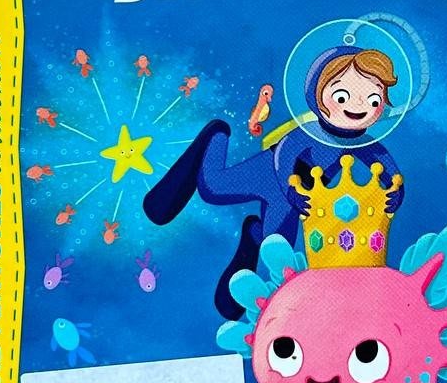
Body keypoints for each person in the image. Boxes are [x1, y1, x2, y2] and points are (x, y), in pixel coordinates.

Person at [144, 46, 405, 318]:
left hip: (297, 195)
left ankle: (250, 246)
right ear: (317, 94)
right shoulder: (310, 131)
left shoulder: (364, 143)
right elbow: (285, 154)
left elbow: (391, 173)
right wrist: (290, 188)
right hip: (269, 173)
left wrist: (395, 194)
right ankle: (215, 136)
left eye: (373, 100)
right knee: (213, 187)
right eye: (342, 95)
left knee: (276, 247)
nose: (358, 106)